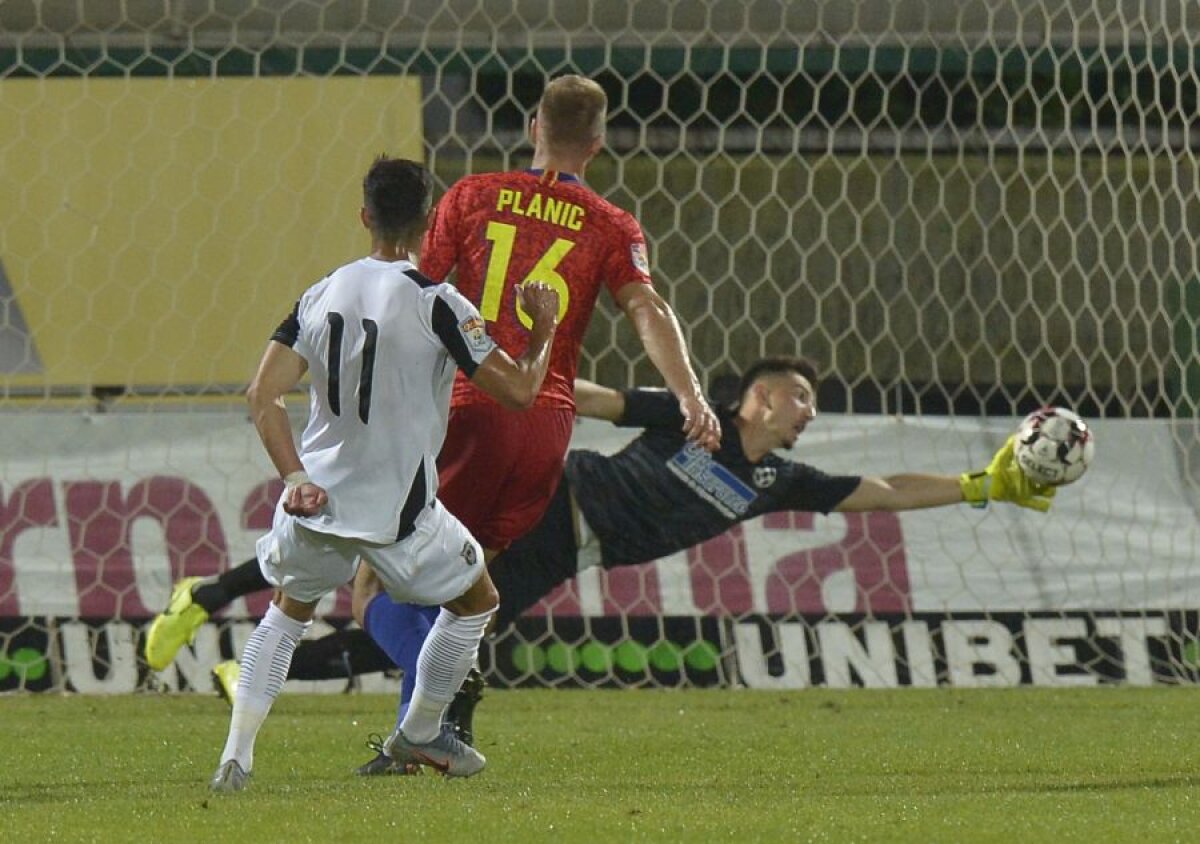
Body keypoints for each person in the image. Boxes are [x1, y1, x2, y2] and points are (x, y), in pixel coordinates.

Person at [164, 356, 1052, 774]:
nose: (805, 413)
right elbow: (588, 397)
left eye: (813, 406)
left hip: (571, 550)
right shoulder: (689, 415)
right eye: (796, 397)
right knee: (387, 576)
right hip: (549, 498)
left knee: (424, 626)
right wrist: (499, 381)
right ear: (756, 395)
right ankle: (399, 738)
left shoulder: (781, 479)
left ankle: (248, 657)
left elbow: (888, 489)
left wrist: (982, 486)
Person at [339, 72, 721, 745]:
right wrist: (690, 395)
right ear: (598, 145)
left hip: (468, 406)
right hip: (545, 428)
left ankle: (444, 688)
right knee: (462, 589)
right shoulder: (611, 225)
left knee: (375, 584)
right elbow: (646, 307)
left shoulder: (474, 196)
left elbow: (413, 290)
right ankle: (423, 738)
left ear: (532, 125)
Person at [207, 154, 561, 793]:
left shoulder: (319, 294)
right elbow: (518, 392)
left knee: (286, 617)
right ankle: (422, 729)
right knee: (477, 601)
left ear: (364, 216)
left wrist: (294, 479)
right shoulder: (438, 302)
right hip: (402, 512)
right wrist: (543, 331)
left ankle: (236, 758)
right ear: (428, 221)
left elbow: (263, 395)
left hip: (319, 501)